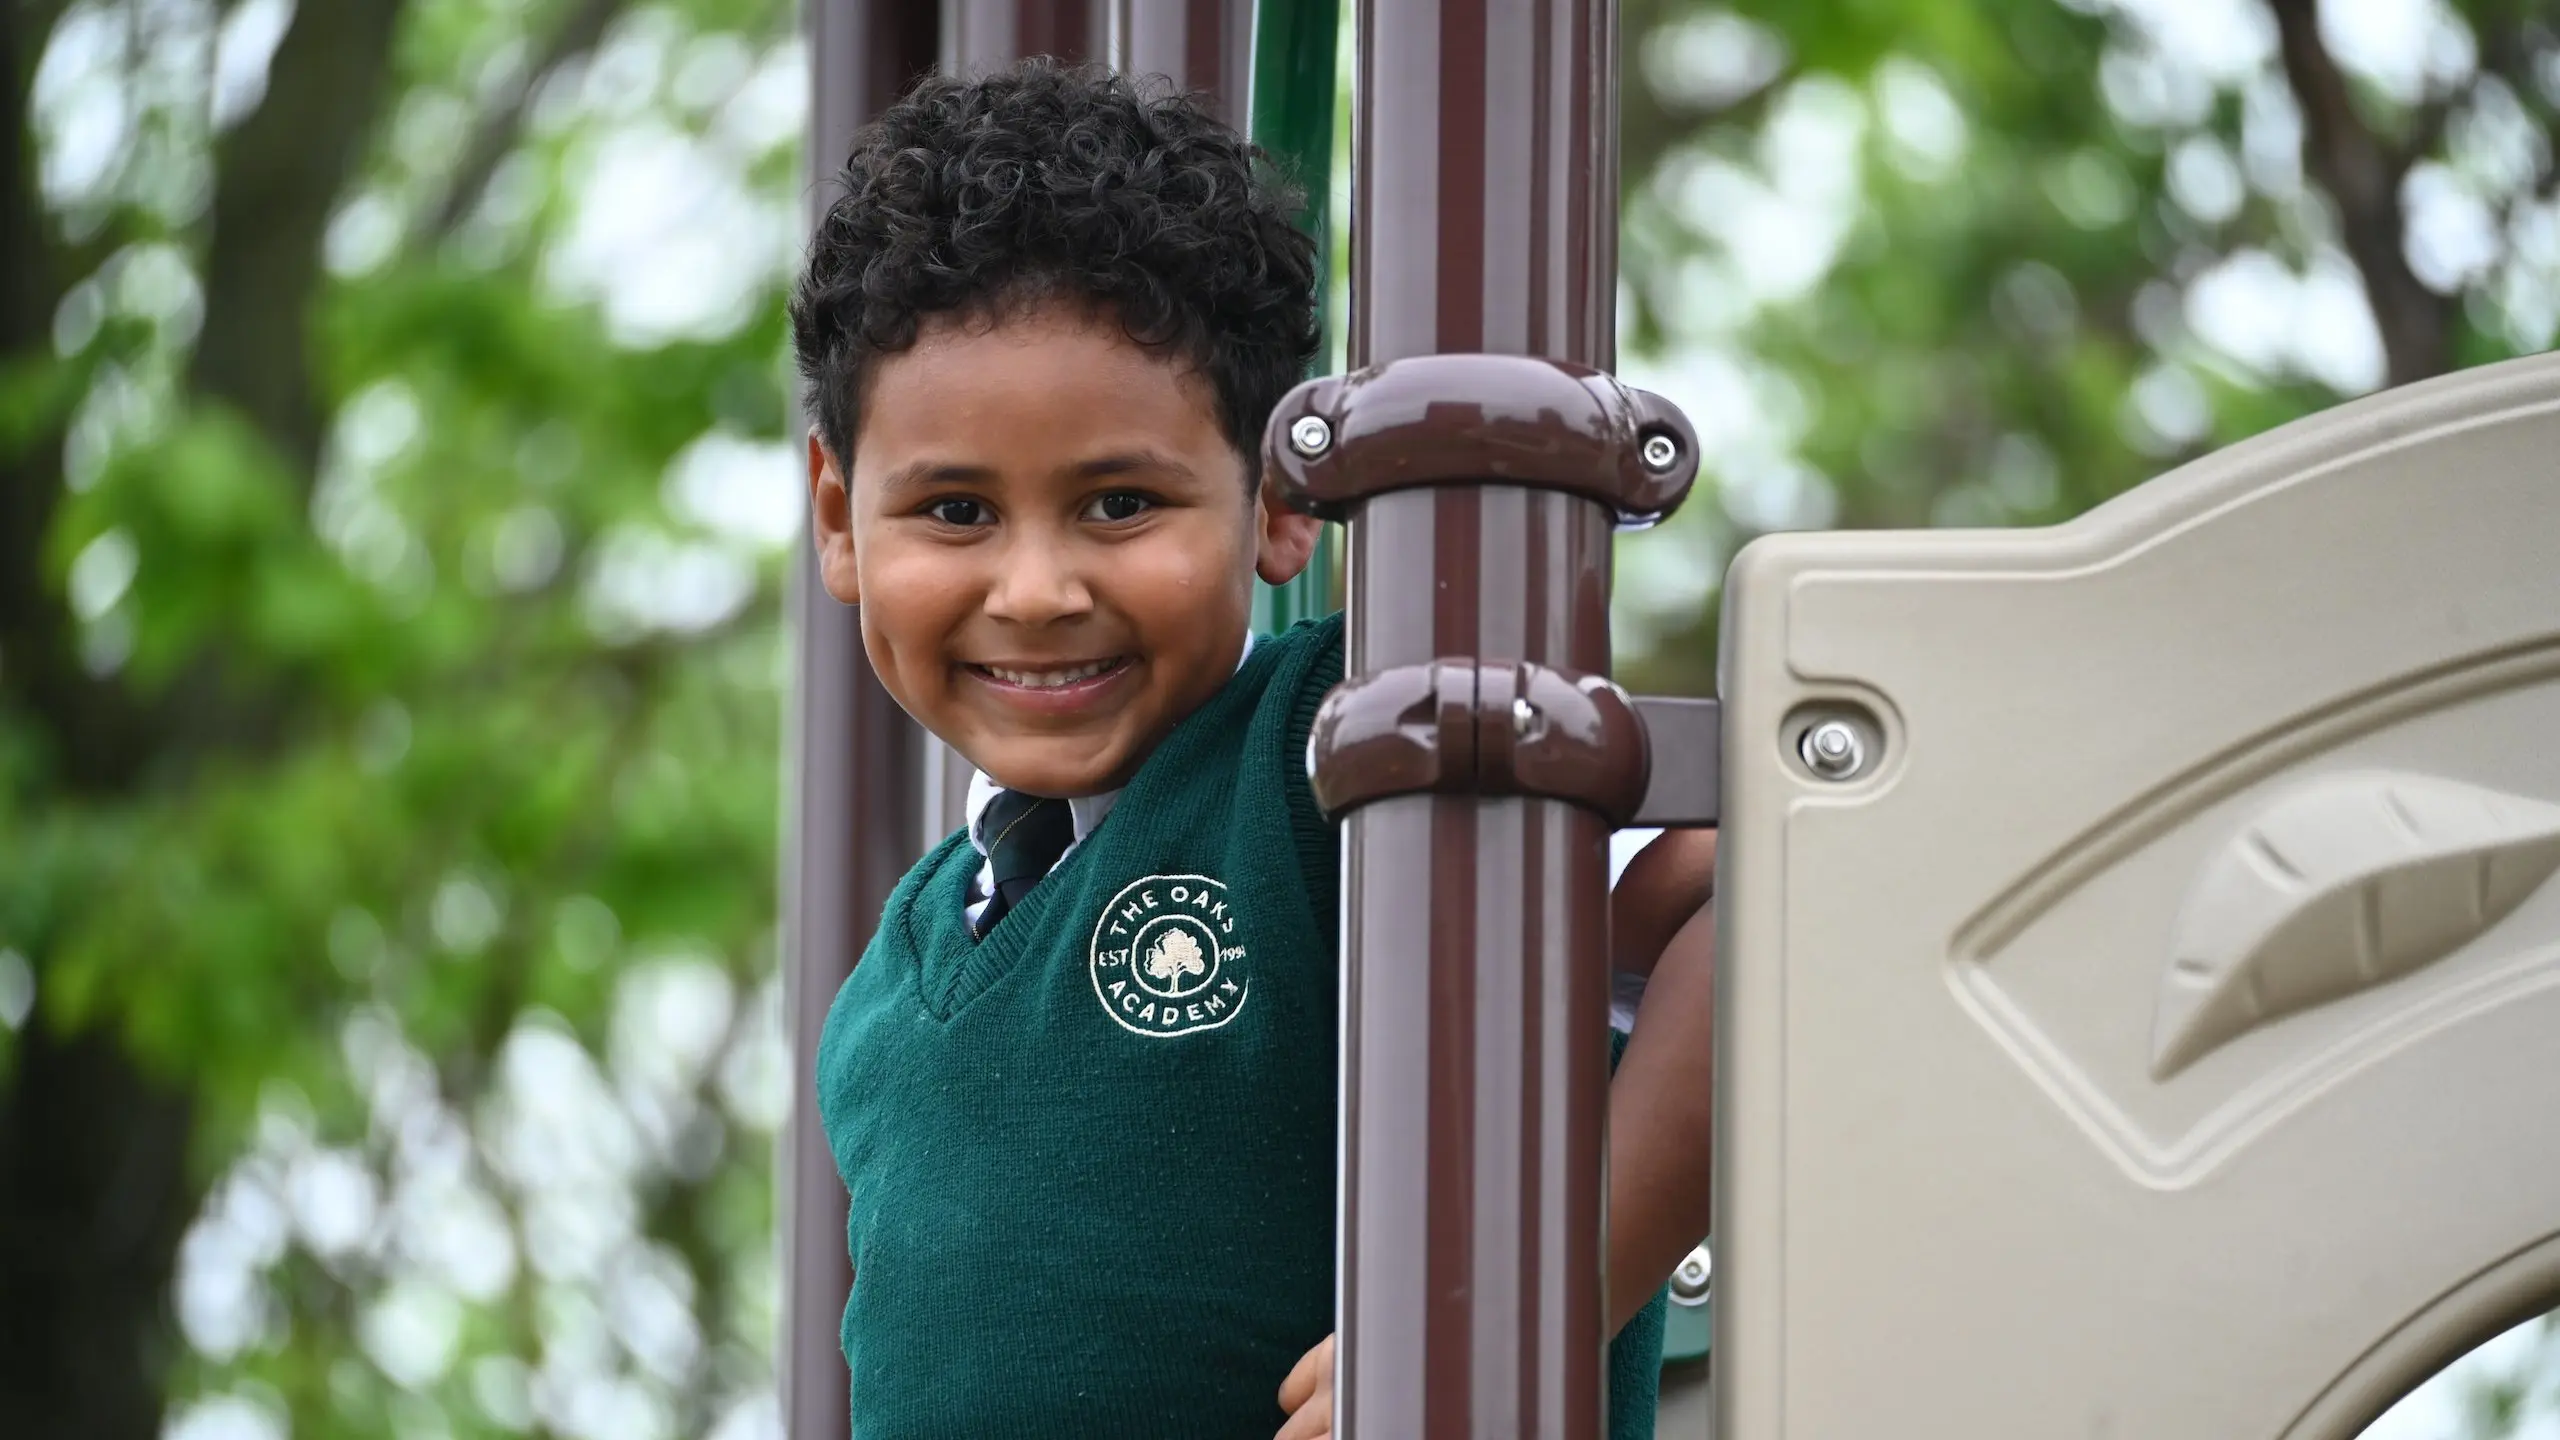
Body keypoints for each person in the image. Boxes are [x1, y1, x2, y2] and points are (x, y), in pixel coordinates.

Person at [792, 59, 1717, 1440]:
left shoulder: (1347, 747)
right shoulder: (888, 990)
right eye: (957, 511)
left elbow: (1757, 920)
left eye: (1118, 502)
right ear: (841, 521)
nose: (1036, 589)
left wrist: (1512, 1321)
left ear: (1283, 504)